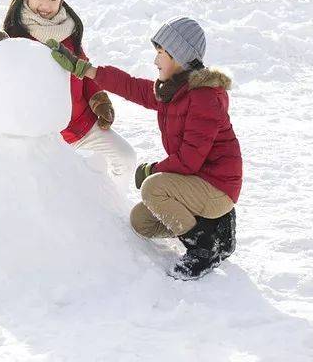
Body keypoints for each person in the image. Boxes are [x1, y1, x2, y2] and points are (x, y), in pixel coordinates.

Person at [47, 16, 242, 280]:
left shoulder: (203, 97)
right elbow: (131, 86)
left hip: (217, 187)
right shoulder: (176, 90)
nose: (155, 60)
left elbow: (188, 161)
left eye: (161, 52)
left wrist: (152, 170)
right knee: (142, 221)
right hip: (197, 182)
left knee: (154, 188)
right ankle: (216, 228)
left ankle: (204, 248)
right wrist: (86, 70)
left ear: (179, 56)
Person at [1, 0, 137, 192]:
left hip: (81, 122)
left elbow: (83, 70)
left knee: (126, 158)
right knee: (49, 191)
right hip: (42, 135)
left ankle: (113, 203)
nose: (46, 4)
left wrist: (97, 97)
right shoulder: (15, 37)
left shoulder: (68, 30)